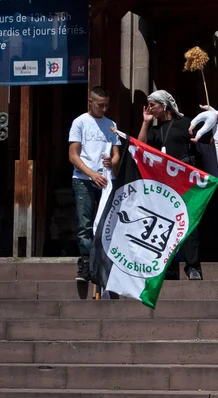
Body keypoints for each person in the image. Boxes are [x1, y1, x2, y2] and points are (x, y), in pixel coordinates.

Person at [138, 89, 203, 280]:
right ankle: (170, 267)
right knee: (166, 225)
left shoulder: (185, 124)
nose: (150, 109)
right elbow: (141, 146)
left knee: (188, 223)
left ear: (164, 105)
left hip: (184, 182)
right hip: (164, 184)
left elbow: (205, 137)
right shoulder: (156, 130)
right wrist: (145, 122)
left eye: (153, 105)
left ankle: (193, 267)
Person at [68, 86, 121, 282]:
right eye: (100, 105)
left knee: (108, 221)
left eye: (107, 105)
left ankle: (104, 261)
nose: (104, 109)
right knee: (85, 223)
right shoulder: (80, 122)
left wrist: (112, 163)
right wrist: (91, 174)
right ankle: (85, 263)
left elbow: (116, 155)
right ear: (91, 102)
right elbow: (73, 155)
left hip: (106, 178)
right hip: (84, 178)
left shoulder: (111, 124)